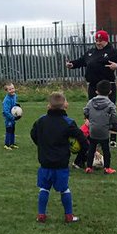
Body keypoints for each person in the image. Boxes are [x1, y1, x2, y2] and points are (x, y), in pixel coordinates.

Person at [30, 91, 88, 223]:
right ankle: (69, 216)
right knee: (64, 189)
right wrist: (85, 151)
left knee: (44, 188)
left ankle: (41, 215)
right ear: (65, 105)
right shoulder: (68, 122)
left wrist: (42, 145)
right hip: (61, 164)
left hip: (45, 163)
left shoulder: (40, 121)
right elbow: (82, 139)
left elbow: (33, 134)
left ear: (48, 105)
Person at [66, 30, 117, 101]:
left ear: (106, 41)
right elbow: (81, 61)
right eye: (96, 40)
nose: (98, 43)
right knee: (93, 108)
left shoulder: (113, 52)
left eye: (100, 41)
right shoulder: (91, 52)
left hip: (106, 85)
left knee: (107, 108)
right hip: (93, 86)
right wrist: (72, 64)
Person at [84, 81, 117, 174]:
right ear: (110, 92)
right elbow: (114, 116)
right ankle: (107, 168)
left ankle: (89, 167)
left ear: (96, 91)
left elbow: (85, 111)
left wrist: (90, 118)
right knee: (106, 149)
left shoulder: (91, 102)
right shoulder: (110, 104)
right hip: (104, 129)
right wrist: (114, 125)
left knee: (92, 148)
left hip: (93, 129)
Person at [2, 82, 20, 150]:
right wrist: (12, 117)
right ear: (6, 91)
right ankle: (6, 144)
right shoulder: (6, 100)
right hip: (8, 118)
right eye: (10, 89)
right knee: (9, 130)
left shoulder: (15, 96)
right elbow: (6, 111)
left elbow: (14, 104)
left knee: (13, 130)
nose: (12, 90)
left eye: (13, 88)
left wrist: (17, 107)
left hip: (13, 117)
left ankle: (12, 143)